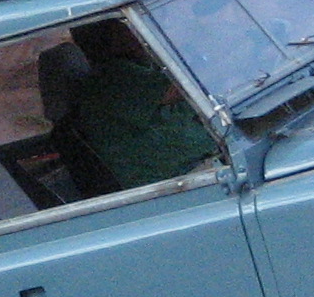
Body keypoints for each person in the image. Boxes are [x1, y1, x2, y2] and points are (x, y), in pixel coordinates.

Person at [61, 19, 218, 190]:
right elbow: (180, 89)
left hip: (202, 161)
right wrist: (216, 59)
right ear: (112, 38)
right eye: (128, 26)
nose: (139, 31)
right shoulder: (110, 78)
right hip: (178, 180)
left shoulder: (140, 66)